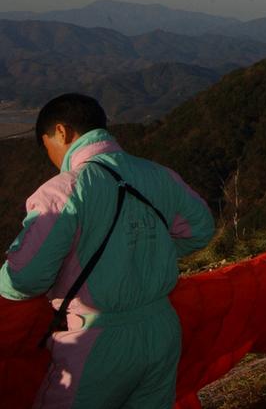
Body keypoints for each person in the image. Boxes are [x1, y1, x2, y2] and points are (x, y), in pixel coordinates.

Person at [0, 93, 214, 408]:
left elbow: (24, 279)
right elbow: (200, 230)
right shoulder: (159, 175)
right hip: (163, 329)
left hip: (97, 341)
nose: (54, 159)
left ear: (61, 132)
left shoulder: (62, 192)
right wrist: (145, 251)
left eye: (49, 149)